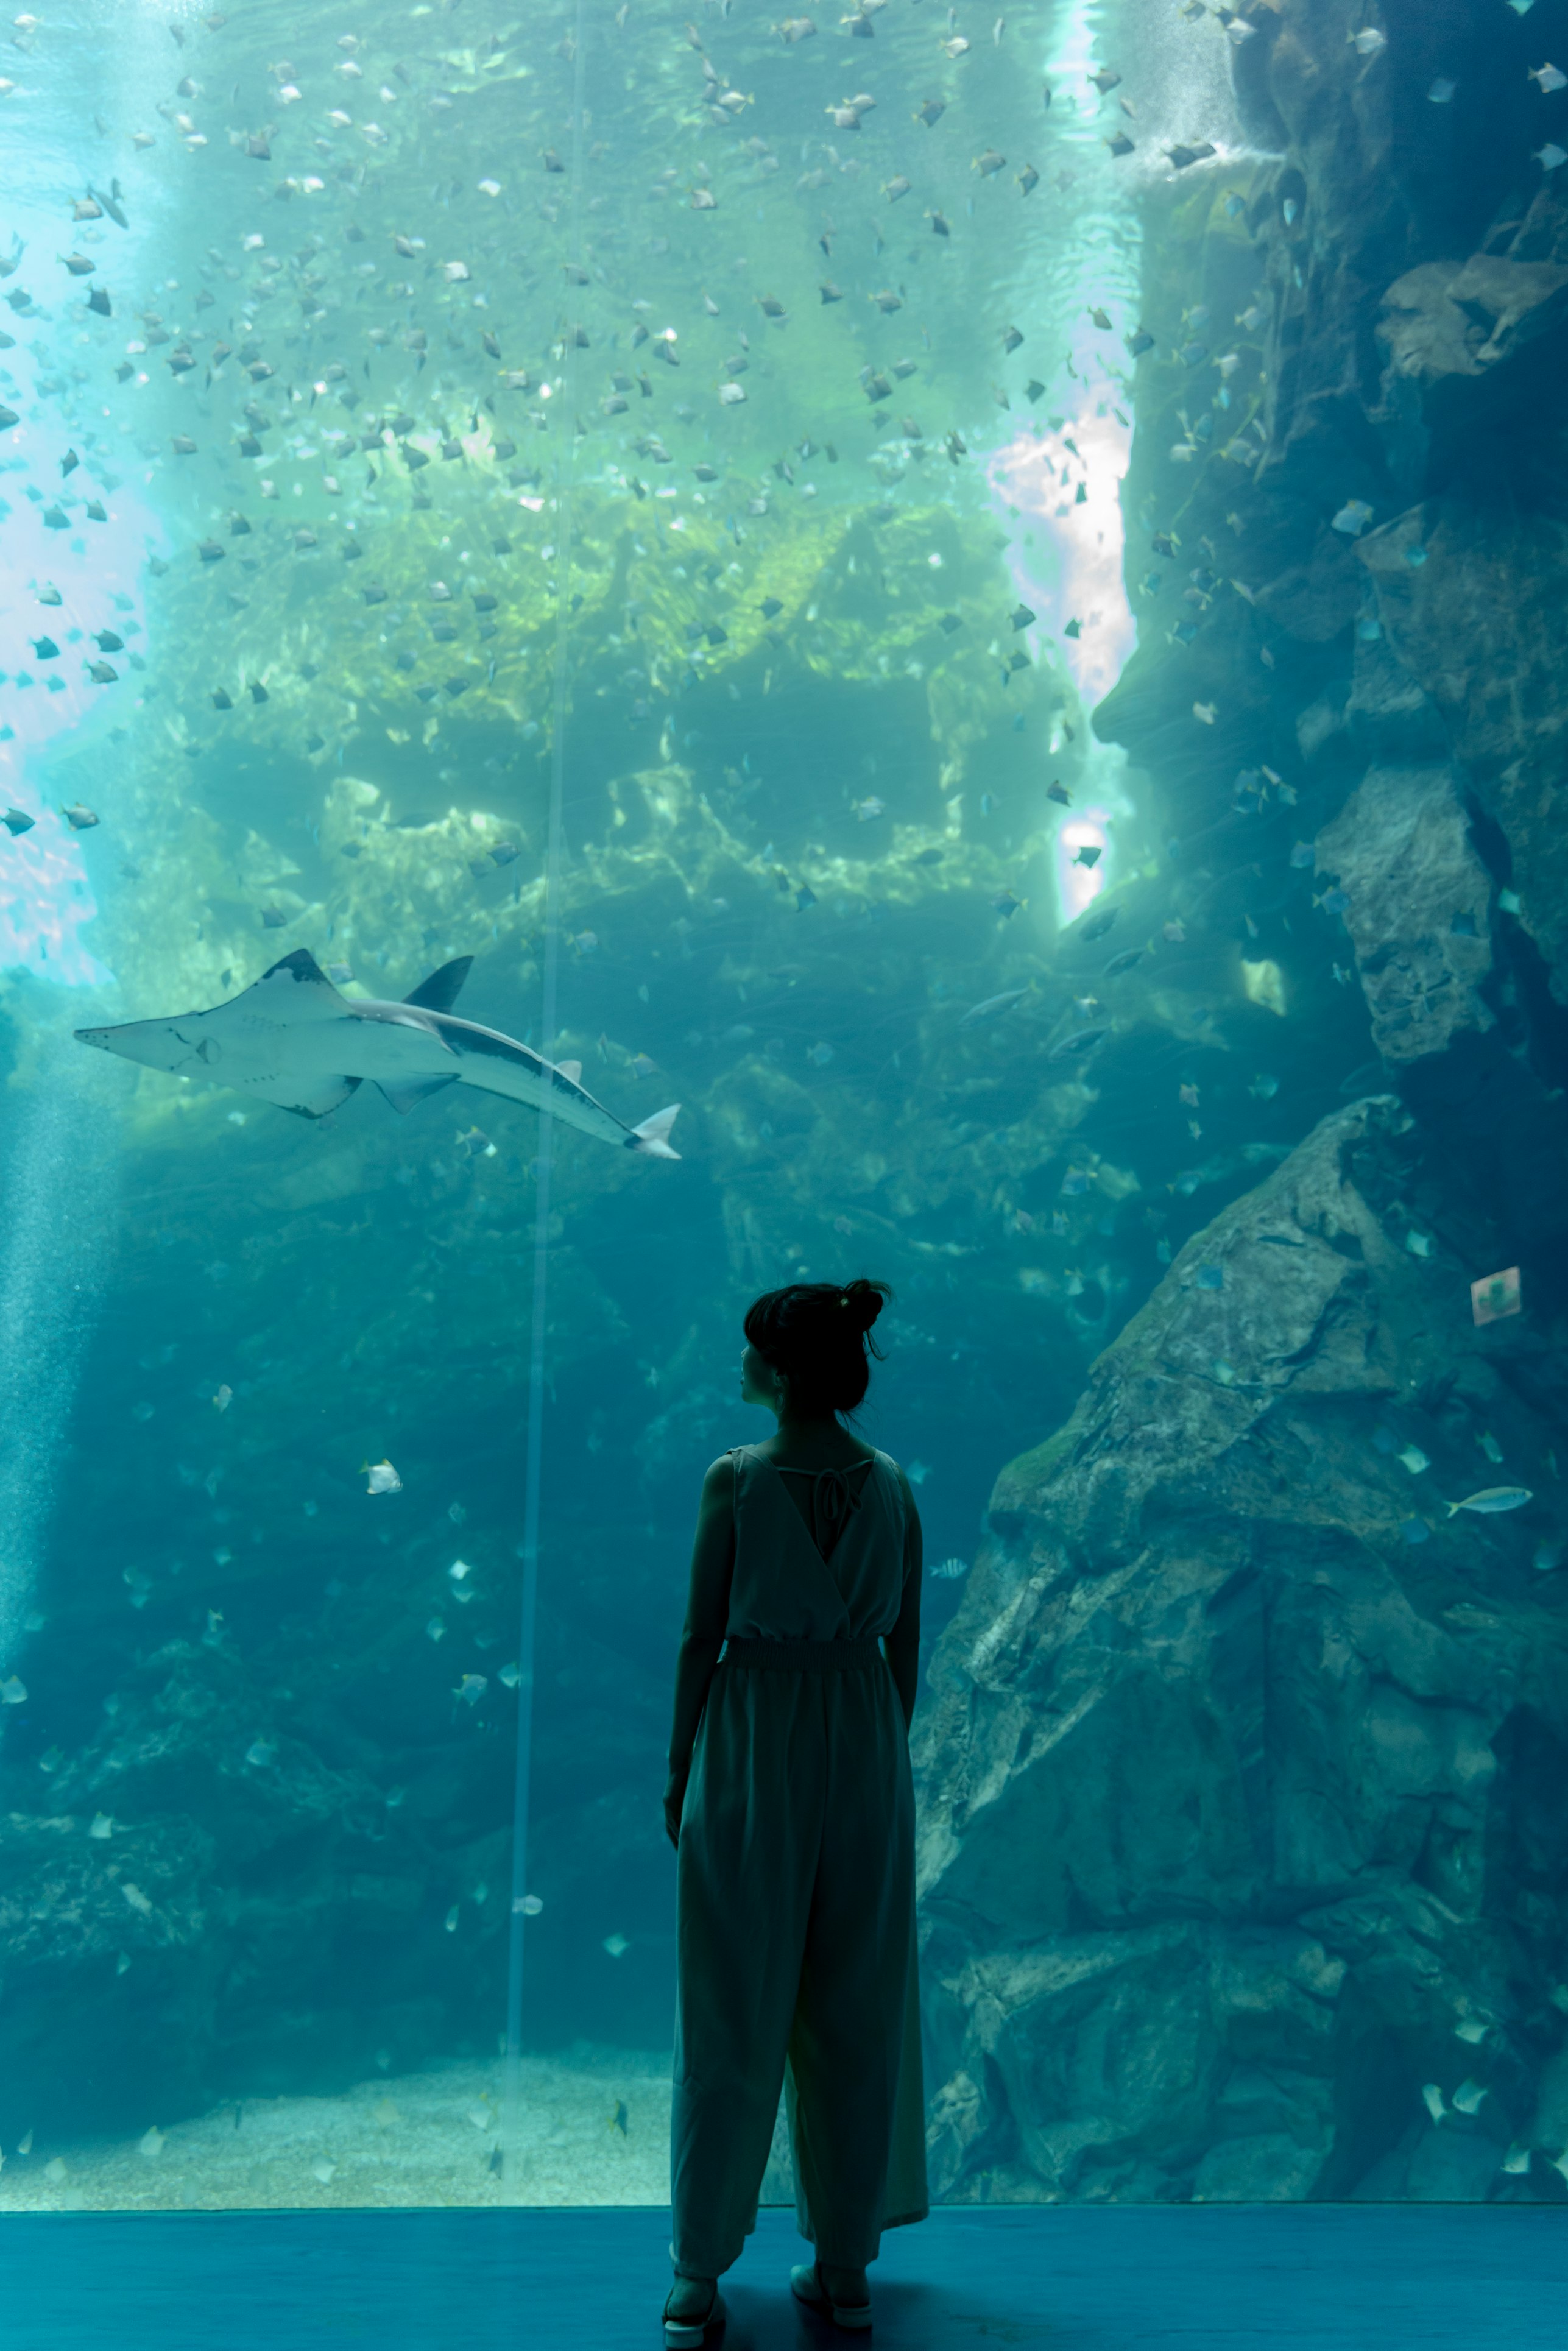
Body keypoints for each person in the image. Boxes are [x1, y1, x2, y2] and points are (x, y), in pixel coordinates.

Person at [661, 1278, 927, 2347]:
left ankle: (694, 2276)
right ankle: (846, 2267)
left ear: (781, 1371)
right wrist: (877, 1751)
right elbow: (903, 1642)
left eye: (750, 1352)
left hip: (753, 1734)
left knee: (731, 2001)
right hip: (863, 1737)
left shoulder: (735, 1480)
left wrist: (681, 1767)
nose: (739, 1367)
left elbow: (698, 1636)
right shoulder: (896, 1485)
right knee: (856, 2003)